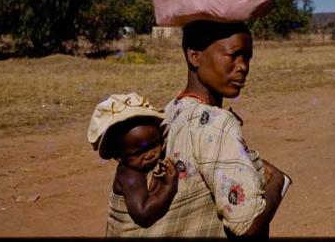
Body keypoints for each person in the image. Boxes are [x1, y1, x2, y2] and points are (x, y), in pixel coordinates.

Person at [118, 21, 289, 238]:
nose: (243, 66)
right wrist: (278, 184)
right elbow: (248, 229)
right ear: (194, 56)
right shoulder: (218, 123)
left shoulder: (170, 111)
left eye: (247, 57)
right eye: (234, 55)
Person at [87, 93, 179, 235]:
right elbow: (144, 214)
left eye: (154, 144)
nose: (150, 155)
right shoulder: (130, 176)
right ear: (119, 157)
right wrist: (169, 186)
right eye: (139, 152)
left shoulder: (140, 165)